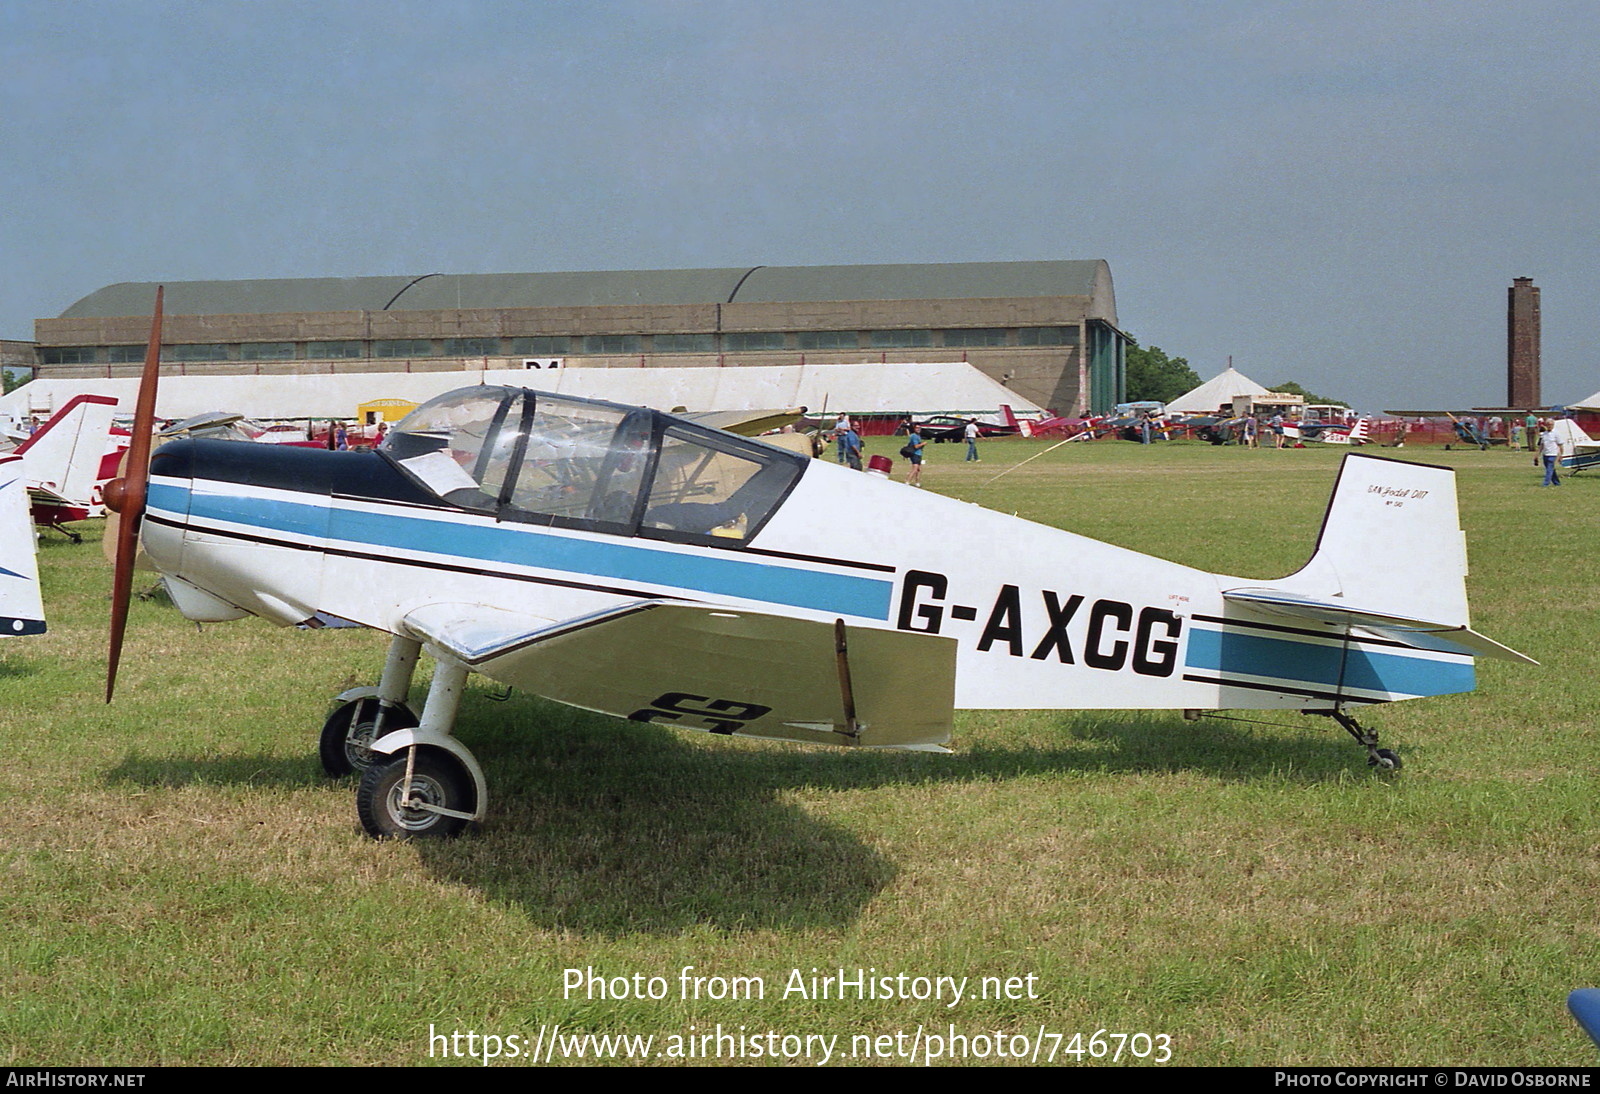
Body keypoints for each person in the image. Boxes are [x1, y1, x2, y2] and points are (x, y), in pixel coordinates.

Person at [1539, 420, 1562, 486]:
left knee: (1549, 469)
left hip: (1553, 454)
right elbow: (1541, 445)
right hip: (1545, 454)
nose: (1550, 426)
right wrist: (1537, 455)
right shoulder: (1544, 434)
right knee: (1550, 469)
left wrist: (1560, 455)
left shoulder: (1556, 434)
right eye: (1548, 424)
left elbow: (1560, 445)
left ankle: (1546, 483)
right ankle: (1556, 482)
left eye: (1551, 424)